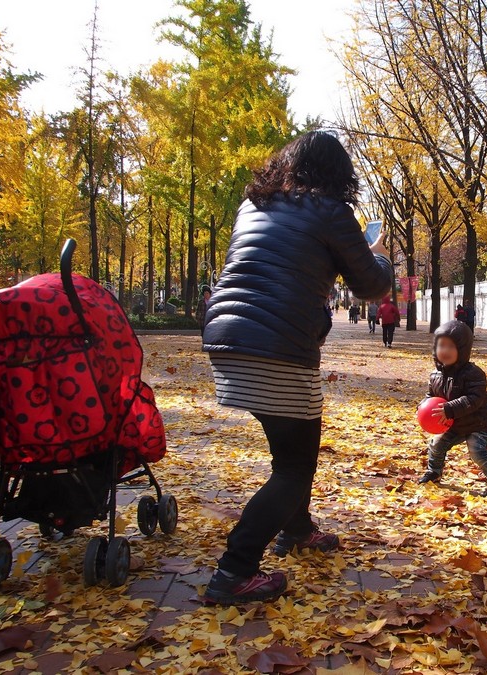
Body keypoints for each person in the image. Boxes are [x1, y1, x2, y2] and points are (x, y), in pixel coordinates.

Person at [200, 131, 393, 604]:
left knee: (293, 450)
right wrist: (381, 257)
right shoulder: (331, 211)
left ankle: (298, 529)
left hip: (227, 338)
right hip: (279, 346)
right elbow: (370, 286)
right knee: (295, 467)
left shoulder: (252, 207)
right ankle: (235, 571)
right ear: (337, 174)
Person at [419, 321, 487, 497]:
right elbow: (431, 396)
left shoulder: (473, 373)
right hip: (453, 422)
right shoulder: (435, 375)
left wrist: (449, 408)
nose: (445, 350)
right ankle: (434, 472)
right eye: (441, 345)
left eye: (451, 346)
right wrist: (423, 406)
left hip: (477, 423)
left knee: (477, 451)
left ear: (462, 349)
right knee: (436, 444)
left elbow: (474, 399)